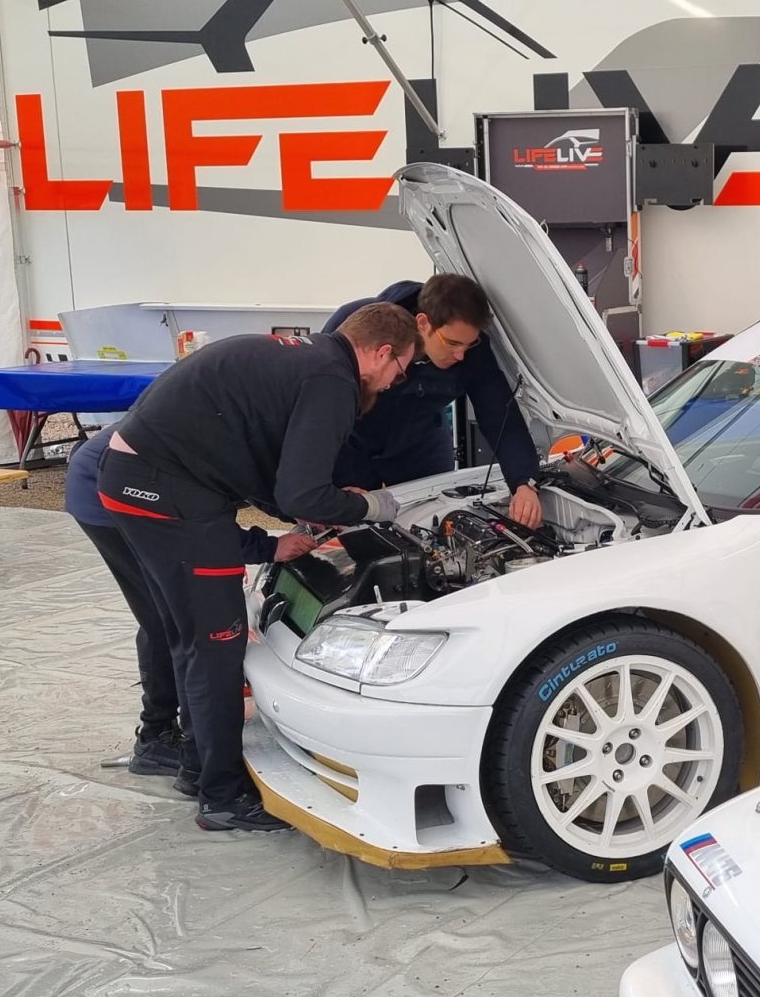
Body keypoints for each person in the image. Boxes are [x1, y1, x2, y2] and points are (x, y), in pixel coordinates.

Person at [95, 304, 420, 832]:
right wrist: (370, 506)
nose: (391, 385)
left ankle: (198, 768)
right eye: (399, 372)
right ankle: (223, 798)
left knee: (191, 637)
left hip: (137, 478)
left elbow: (263, 467)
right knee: (218, 645)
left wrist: (305, 514)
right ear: (382, 352)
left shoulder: (305, 358)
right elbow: (300, 493)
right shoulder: (333, 380)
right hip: (167, 492)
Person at [65, 427, 316, 779]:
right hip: (113, 495)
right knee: (167, 621)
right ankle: (160, 739)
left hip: (130, 481)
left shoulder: (256, 425)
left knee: (169, 618)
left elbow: (253, 488)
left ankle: (178, 737)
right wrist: (268, 547)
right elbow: (198, 523)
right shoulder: (237, 432)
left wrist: (305, 513)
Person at [324, 273, 544, 528]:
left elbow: (498, 414)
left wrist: (523, 482)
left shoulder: (472, 349)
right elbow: (317, 408)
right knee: (348, 526)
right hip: (353, 442)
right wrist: (317, 485)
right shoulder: (358, 326)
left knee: (432, 523)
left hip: (420, 443)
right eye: (452, 343)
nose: (460, 355)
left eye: (468, 344)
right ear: (423, 323)